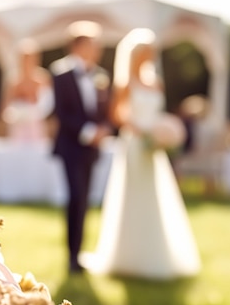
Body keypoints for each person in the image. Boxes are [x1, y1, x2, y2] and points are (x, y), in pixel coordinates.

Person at [81, 28, 201, 280]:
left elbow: (157, 113)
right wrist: (142, 131)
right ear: (137, 55)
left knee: (154, 195)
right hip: (135, 144)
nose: (151, 56)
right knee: (134, 196)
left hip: (153, 148)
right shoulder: (126, 85)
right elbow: (116, 116)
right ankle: (129, 255)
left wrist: (162, 131)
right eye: (148, 52)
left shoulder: (156, 82)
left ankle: (156, 252)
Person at [50, 21, 112, 273]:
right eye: (92, 44)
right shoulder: (61, 73)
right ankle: (72, 256)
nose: (97, 49)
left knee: (85, 199)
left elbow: (105, 109)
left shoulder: (100, 75)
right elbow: (61, 113)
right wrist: (88, 132)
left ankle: (80, 254)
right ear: (78, 45)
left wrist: (105, 128)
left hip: (92, 149)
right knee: (75, 197)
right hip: (71, 146)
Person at [1, 39, 54, 142]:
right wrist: (15, 114)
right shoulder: (13, 80)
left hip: (36, 127)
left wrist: (33, 113)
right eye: (24, 59)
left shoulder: (43, 79)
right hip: (17, 128)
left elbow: (48, 104)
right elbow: (5, 107)